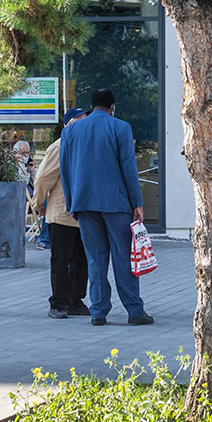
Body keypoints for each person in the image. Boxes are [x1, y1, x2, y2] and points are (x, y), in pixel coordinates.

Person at [59, 89, 154, 326]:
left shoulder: (70, 130)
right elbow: (128, 168)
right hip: (116, 203)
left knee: (95, 259)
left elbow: (65, 169)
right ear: (112, 106)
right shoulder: (120, 127)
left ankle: (98, 311)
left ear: (91, 106)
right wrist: (137, 202)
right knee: (124, 257)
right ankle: (134, 311)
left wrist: (71, 202)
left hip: (84, 202)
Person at [30, 108, 90, 319]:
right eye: (80, 122)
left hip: (83, 213)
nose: (84, 125)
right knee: (61, 260)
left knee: (81, 261)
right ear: (68, 124)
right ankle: (58, 302)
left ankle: (76, 300)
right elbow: (43, 178)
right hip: (61, 213)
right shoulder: (59, 146)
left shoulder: (86, 145)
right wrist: (38, 204)